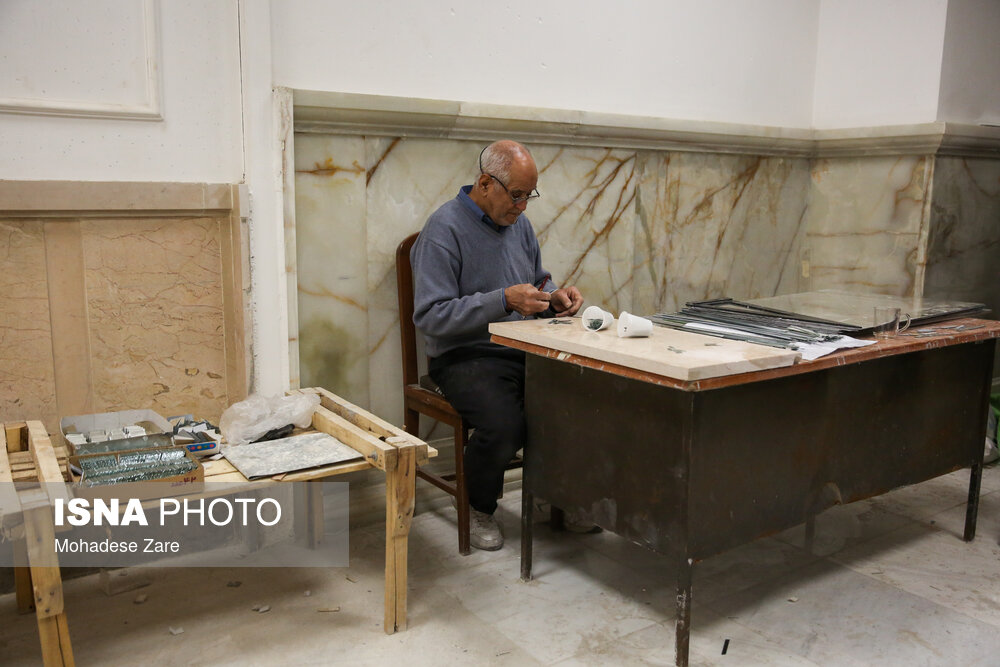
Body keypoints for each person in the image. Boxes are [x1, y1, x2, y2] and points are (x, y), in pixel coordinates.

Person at [410, 140, 584, 550]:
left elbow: (537, 279)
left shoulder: (518, 225)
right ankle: (478, 505)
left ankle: (553, 494)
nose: (522, 207)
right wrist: (502, 300)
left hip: (521, 346)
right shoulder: (443, 230)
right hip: (464, 355)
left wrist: (554, 297)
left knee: (578, 401)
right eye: (516, 194)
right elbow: (430, 315)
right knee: (504, 423)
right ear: (486, 183)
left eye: (529, 196)